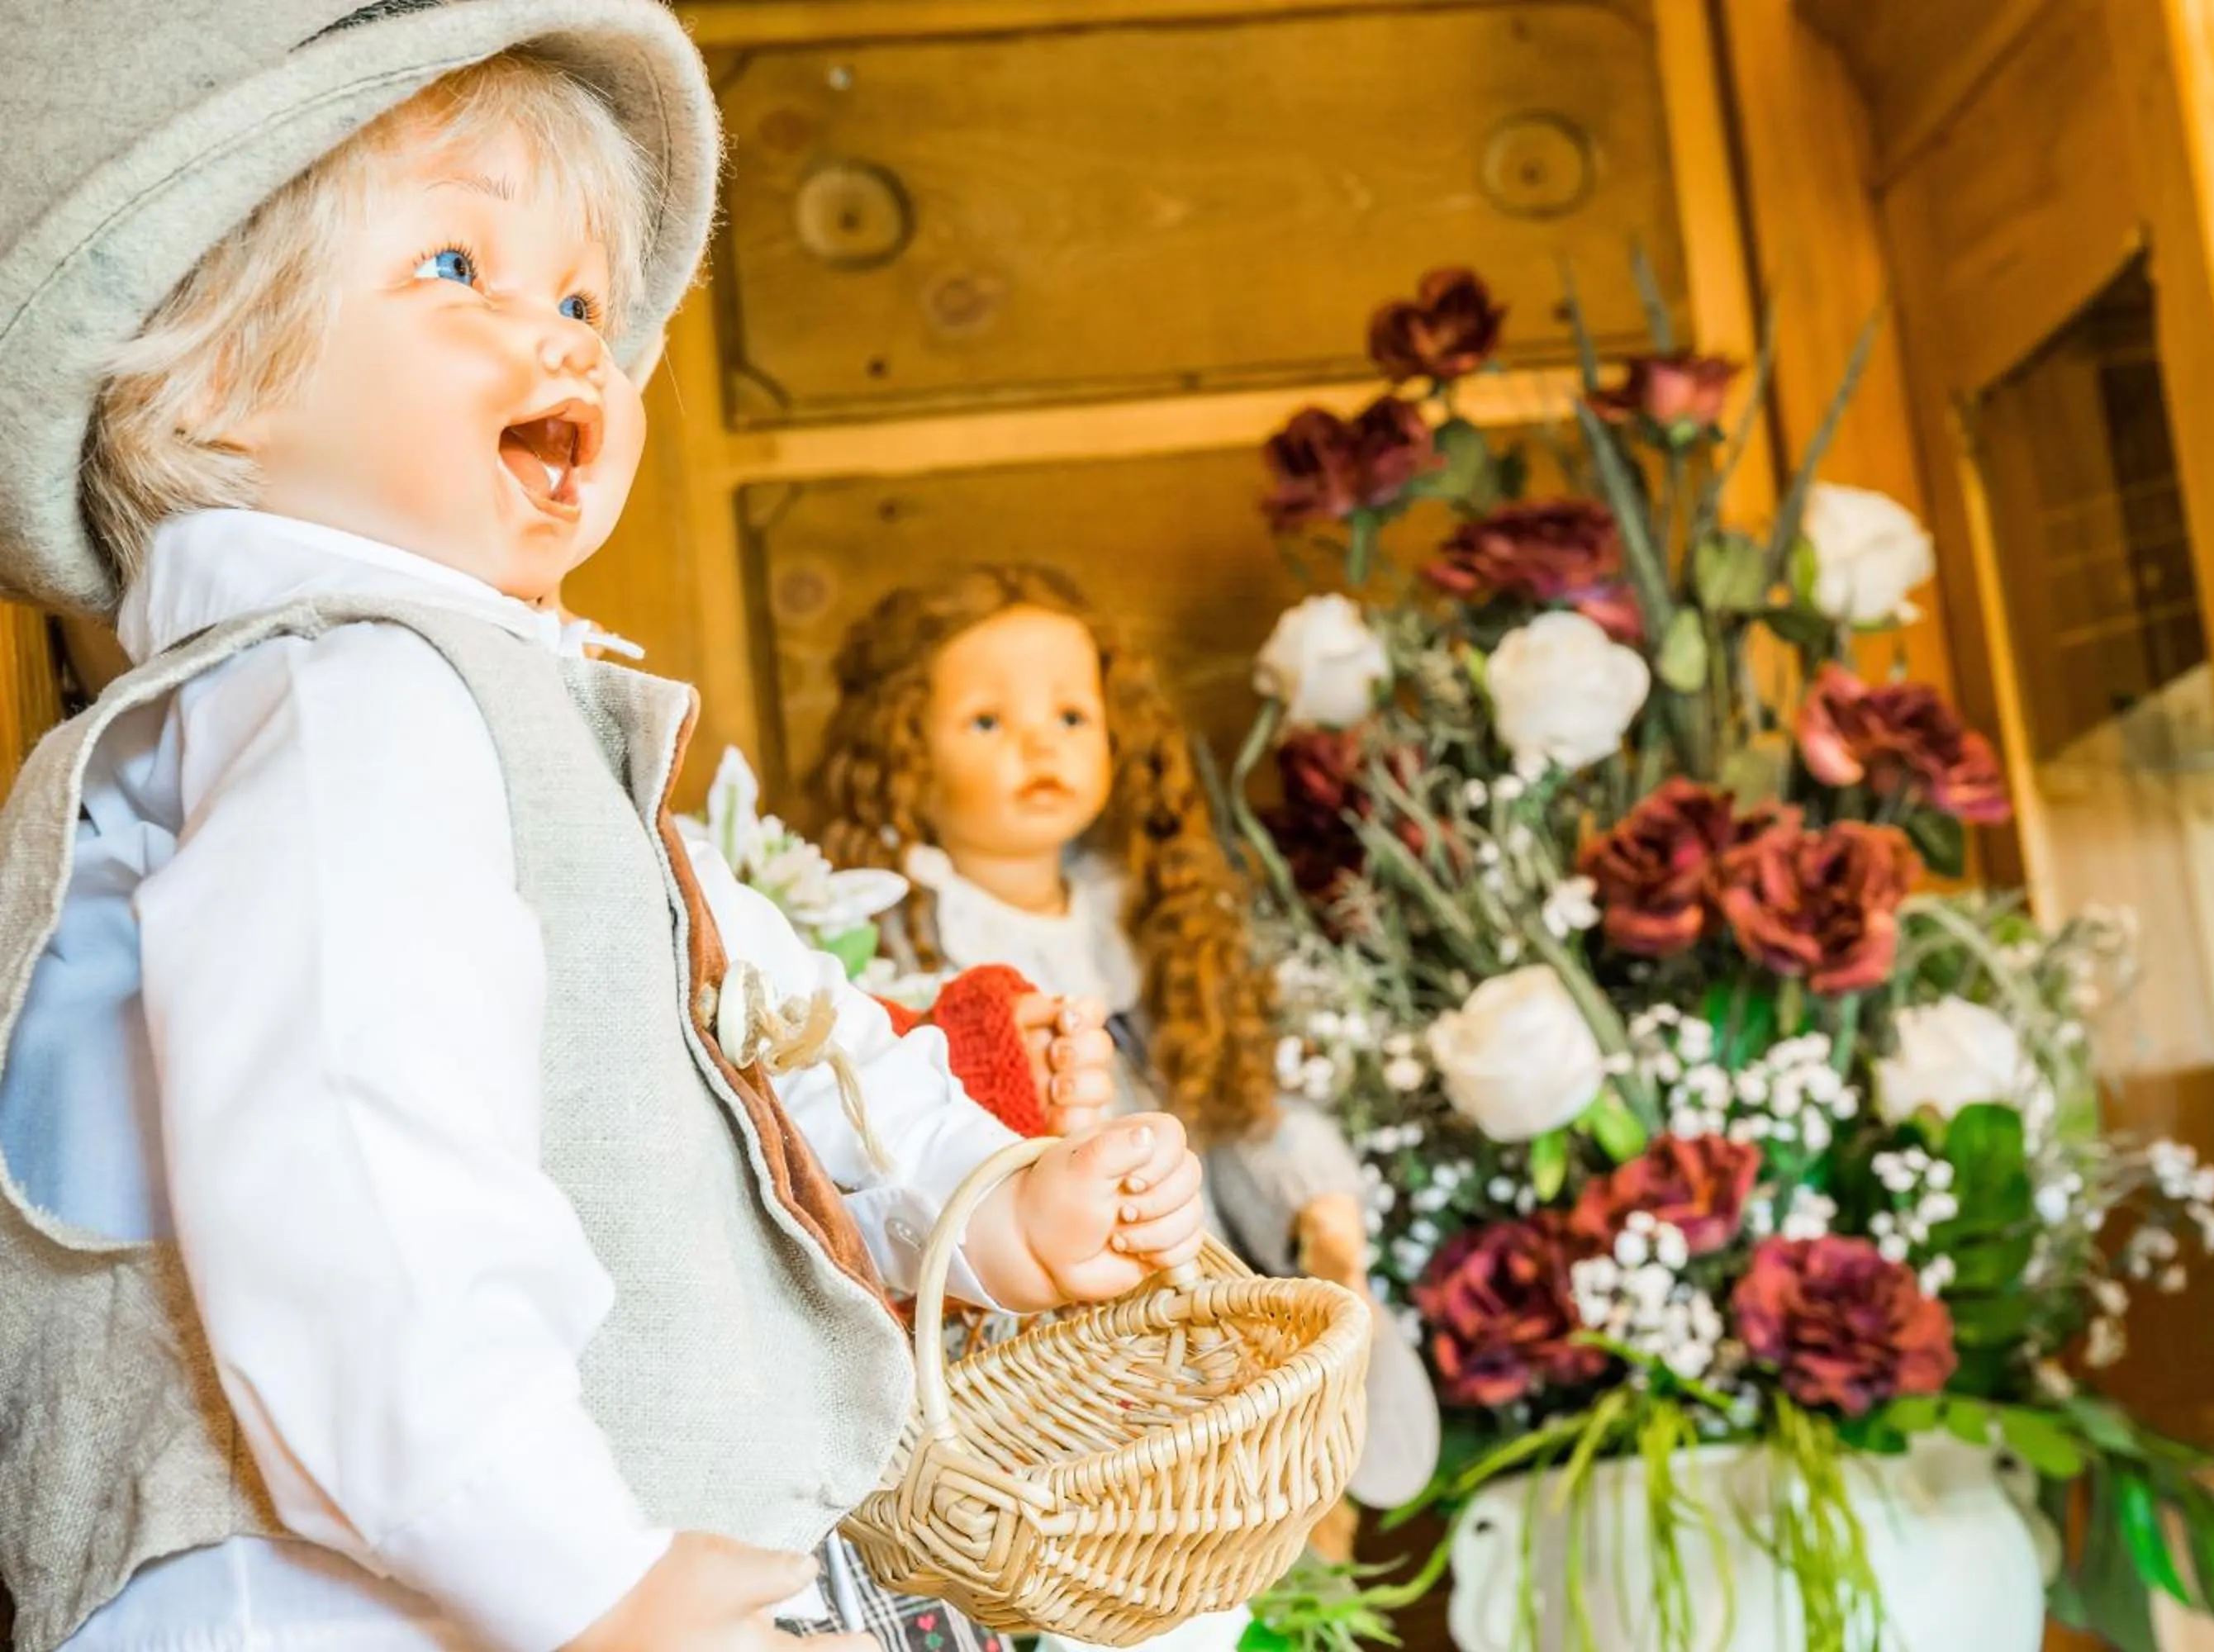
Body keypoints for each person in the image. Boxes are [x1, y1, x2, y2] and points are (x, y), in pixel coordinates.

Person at [0, 11, 1204, 1651]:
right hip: (343, 1600)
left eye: (581, 300)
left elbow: (773, 1040)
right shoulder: (347, 700)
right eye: (458, 272)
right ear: (211, 379)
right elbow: (350, 1162)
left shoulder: (494, 721)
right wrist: (578, 1579)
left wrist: (985, 1206)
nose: (570, 345)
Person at [811, 566, 1442, 1556]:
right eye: (986, 722)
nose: (1039, 744)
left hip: (1200, 1253)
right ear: (903, 750)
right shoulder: (896, 939)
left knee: (1265, 1493)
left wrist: (1316, 1206)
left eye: (1071, 713)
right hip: (1037, 1320)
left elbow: (1239, 1092)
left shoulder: (1145, 920)